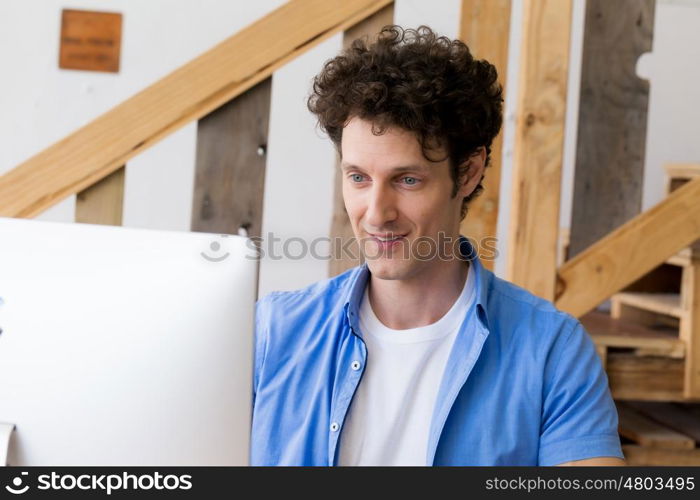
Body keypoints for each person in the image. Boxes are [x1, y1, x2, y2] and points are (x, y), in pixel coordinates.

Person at [250, 25, 625, 466]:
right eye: (358, 178)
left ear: (467, 172)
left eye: (407, 180)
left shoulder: (550, 351)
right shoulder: (272, 332)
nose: (376, 213)